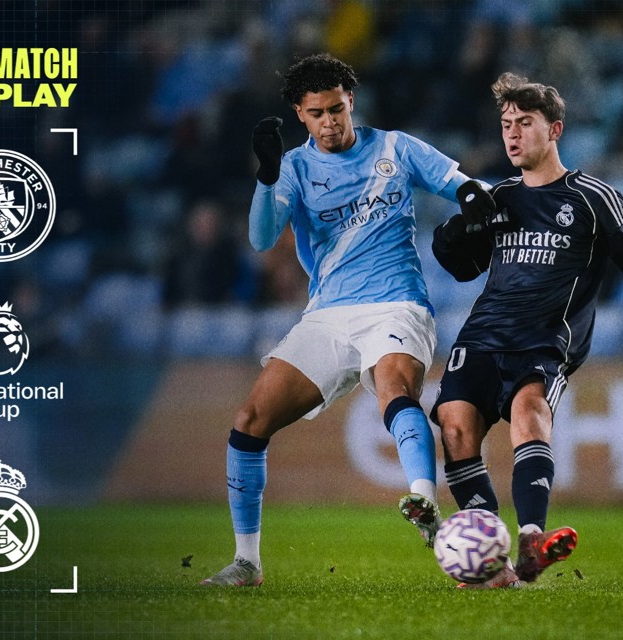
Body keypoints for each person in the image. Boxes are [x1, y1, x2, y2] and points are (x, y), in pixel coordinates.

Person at [202, 53, 479, 587]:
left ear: (351, 100)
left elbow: (461, 185)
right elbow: (261, 241)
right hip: (328, 314)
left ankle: (423, 502)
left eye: (336, 109)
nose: (329, 122)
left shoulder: (397, 148)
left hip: (398, 303)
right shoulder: (296, 169)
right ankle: (247, 563)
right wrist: (266, 176)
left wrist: (487, 202)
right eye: (316, 113)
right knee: (249, 421)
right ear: (299, 115)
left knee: (393, 386)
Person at [430, 73, 623, 588]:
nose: (512, 134)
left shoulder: (593, 196)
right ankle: (492, 562)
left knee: (530, 413)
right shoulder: (500, 197)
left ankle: (531, 541)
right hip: (481, 335)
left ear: (554, 129)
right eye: (506, 125)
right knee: (454, 431)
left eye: (525, 123)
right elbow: (461, 266)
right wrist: (456, 228)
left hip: (544, 339)